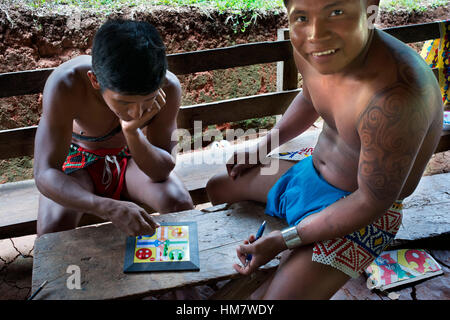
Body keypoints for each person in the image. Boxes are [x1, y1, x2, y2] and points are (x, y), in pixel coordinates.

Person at [206, 0, 444, 299]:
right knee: (218, 187)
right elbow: (310, 96)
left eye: (336, 12)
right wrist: (262, 146)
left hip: (362, 212)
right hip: (311, 172)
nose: (316, 33)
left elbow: (371, 201)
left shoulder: (397, 96)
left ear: (370, 9)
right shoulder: (312, 45)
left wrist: (283, 241)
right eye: (302, 17)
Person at [34, 19, 194, 237]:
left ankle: (177, 270)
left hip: (131, 159)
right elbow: (44, 173)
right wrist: (106, 206)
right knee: (52, 229)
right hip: (77, 163)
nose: (137, 114)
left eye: (148, 100)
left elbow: (161, 171)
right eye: (125, 103)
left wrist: (132, 132)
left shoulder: (168, 87)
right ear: (95, 81)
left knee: (179, 203)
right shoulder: (67, 83)